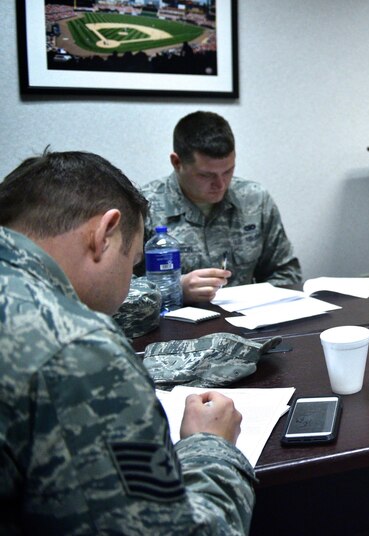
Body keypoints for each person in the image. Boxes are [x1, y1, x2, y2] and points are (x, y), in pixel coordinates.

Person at [0, 150, 255, 533]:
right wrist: (209, 444)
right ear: (105, 234)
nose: (129, 283)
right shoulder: (79, 348)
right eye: (134, 261)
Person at [140, 111, 302, 304]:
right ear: (177, 162)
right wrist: (177, 288)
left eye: (228, 171)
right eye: (205, 175)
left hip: (248, 322)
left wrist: (261, 303)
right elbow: (120, 293)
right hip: (175, 326)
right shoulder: (144, 207)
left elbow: (286, 273)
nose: (220, 184)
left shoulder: (255, 200)